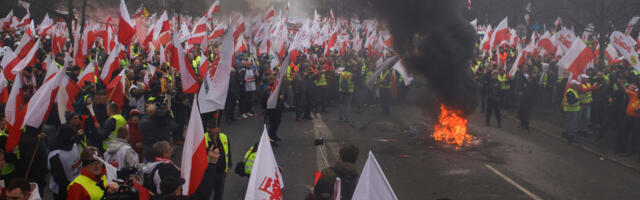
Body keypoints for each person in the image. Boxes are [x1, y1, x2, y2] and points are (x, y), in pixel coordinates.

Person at [153, 145, 222, 200]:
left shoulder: (154, 168)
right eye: (179, 187)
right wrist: (212, 164)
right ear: (176, 191)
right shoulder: (167, 168)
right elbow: (202, 194)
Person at [48, 112, 84, 200]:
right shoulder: (55, 155)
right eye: (71, 137)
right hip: (63, 192)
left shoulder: (73, 145)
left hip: (77, 185)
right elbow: (59, 179)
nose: (73, 138)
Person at [204, 120, 231, 200]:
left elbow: (228, 153)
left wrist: (229, 166)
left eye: (212, 128)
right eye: (208, 127)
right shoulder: (203, 139)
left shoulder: (224, 137)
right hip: (208, 173)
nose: (209, 130)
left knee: (219, 194)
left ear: (217, 129)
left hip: (221, 172)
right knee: (205, 194)